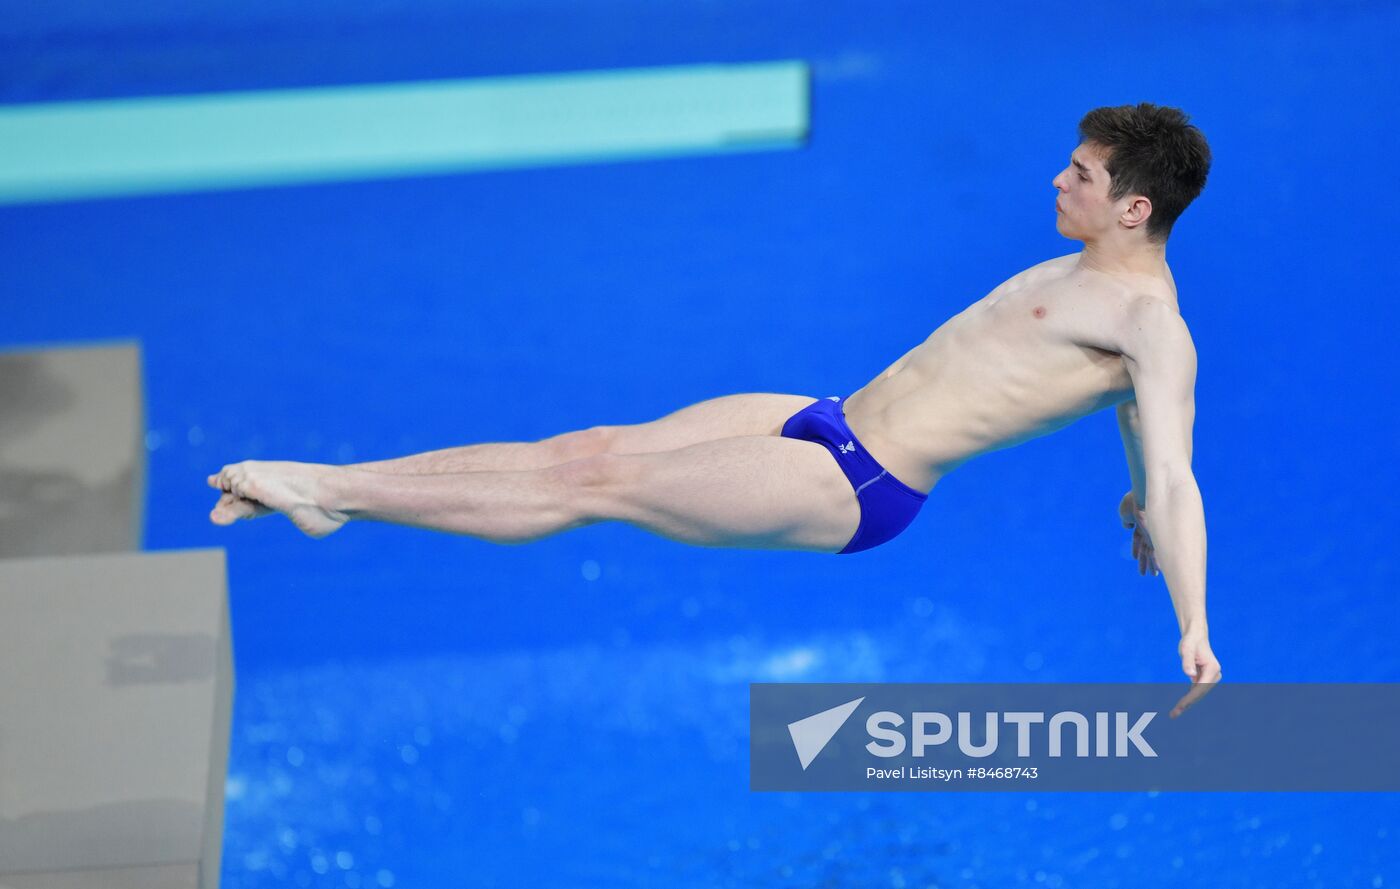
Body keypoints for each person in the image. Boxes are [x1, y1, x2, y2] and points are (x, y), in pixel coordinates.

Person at [209, 102, 1221, 716]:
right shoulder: (1085, 268)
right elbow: (1134, 441)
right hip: (824, 414)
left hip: (855, 483)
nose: (1058, 178)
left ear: (1134, 207)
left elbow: (1174, 469)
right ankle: (331, 491)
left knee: (591, 486)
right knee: (589, 445)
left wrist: (1190, 622)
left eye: (1081, 175)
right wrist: (1130, 502)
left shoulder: (1148, 324)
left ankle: (324, 487)